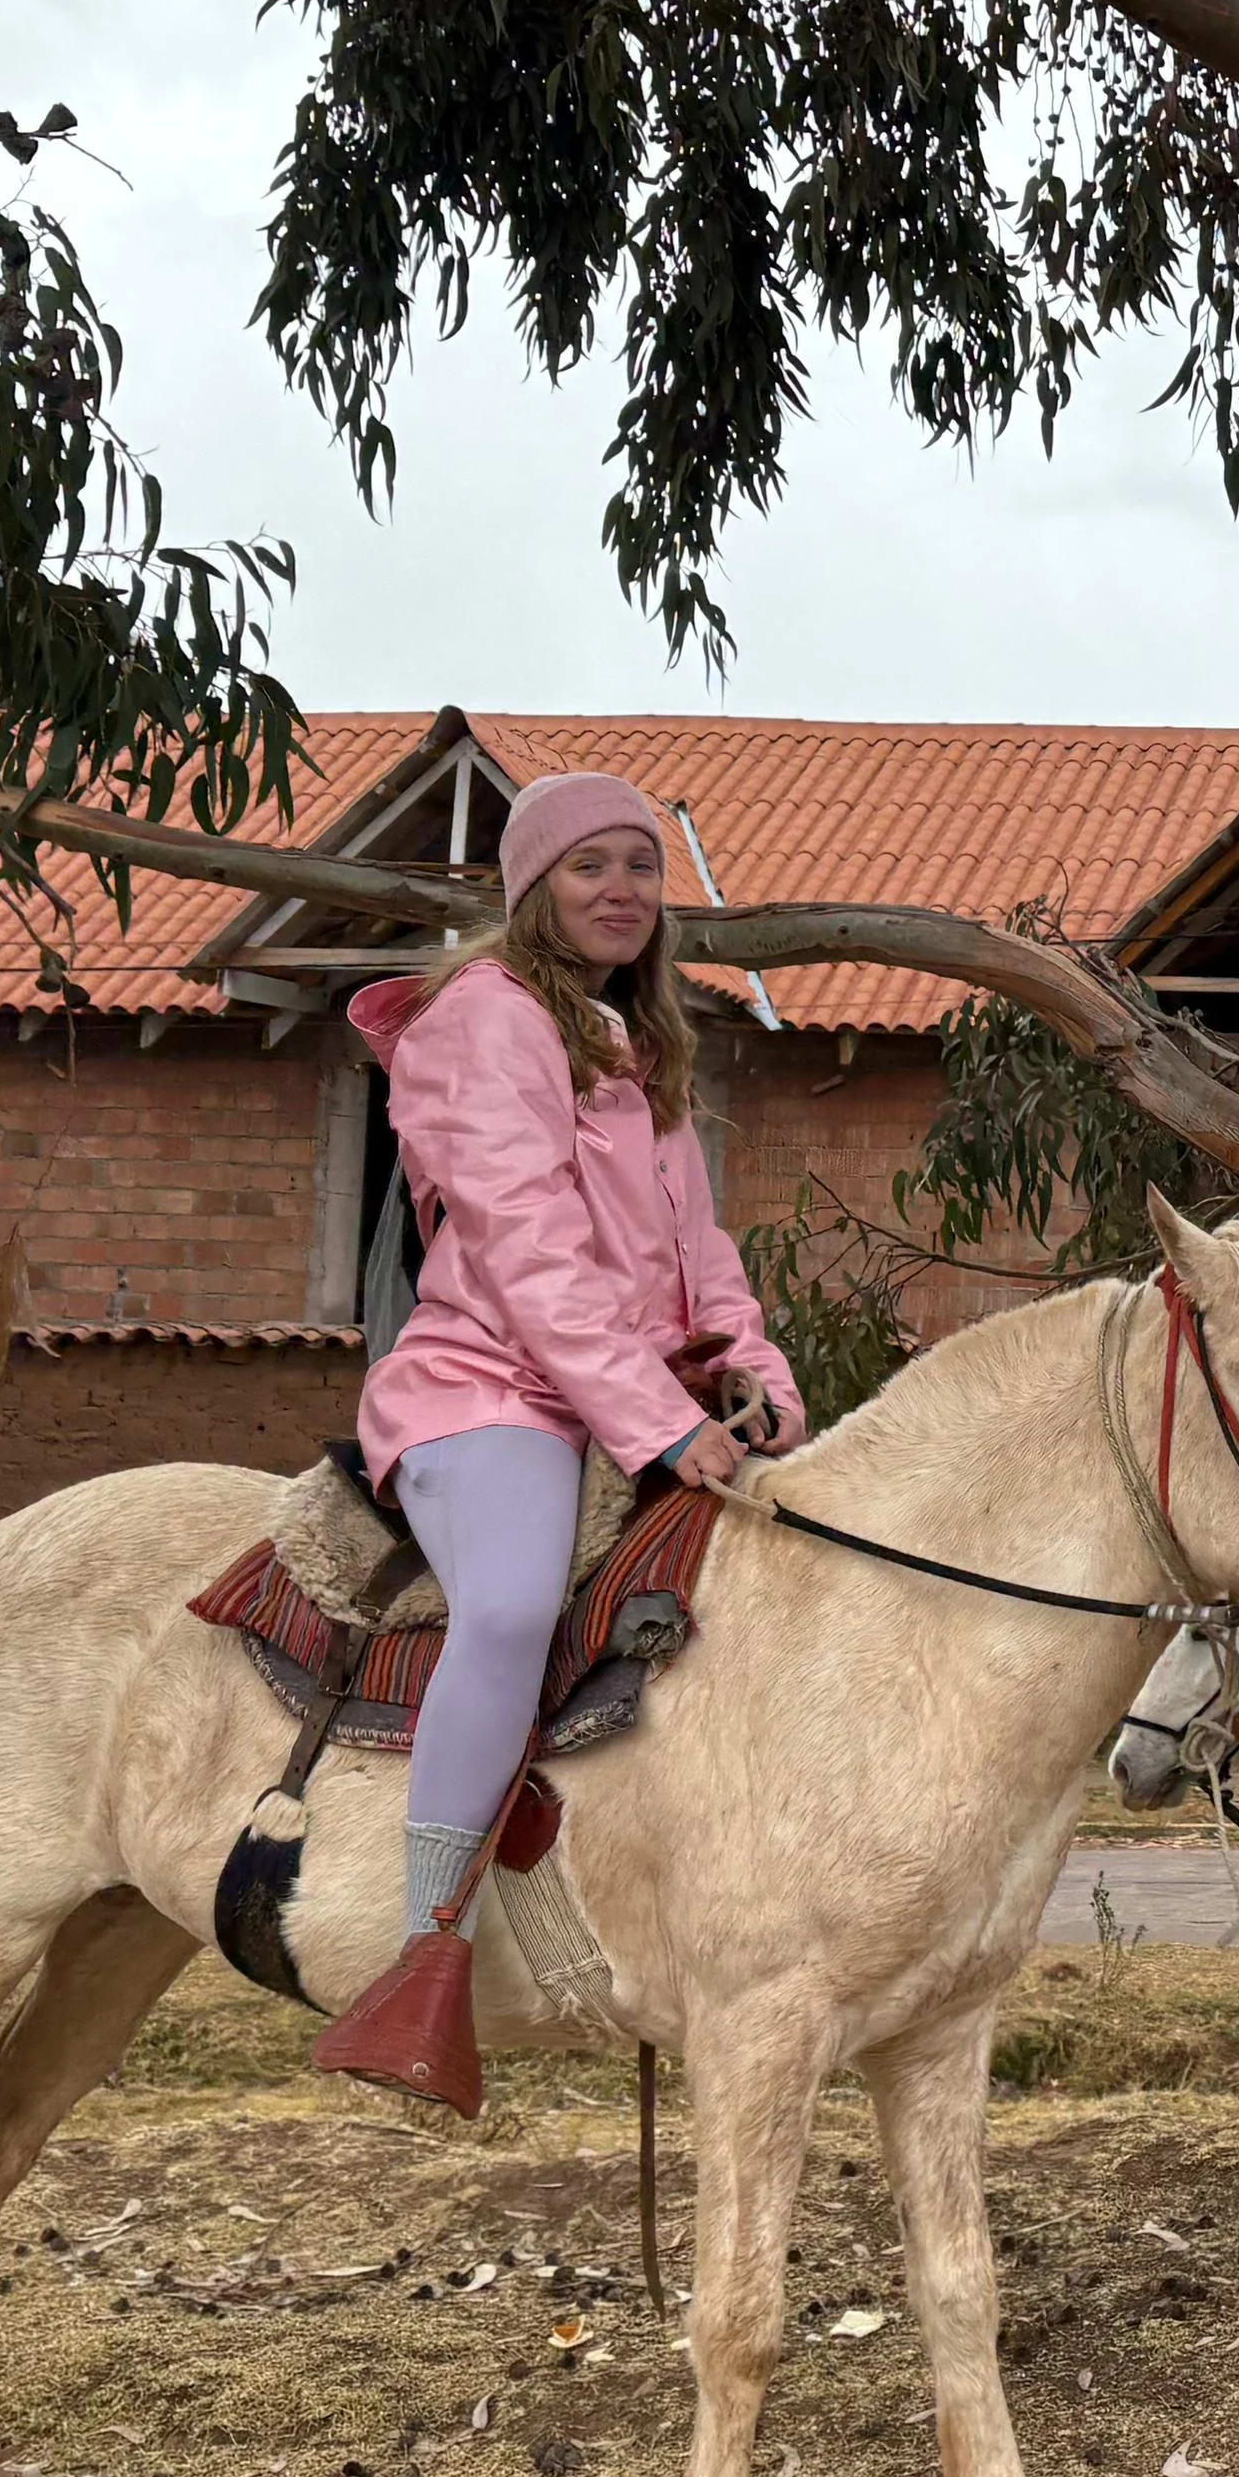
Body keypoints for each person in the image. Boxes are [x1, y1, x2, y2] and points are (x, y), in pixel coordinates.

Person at [312, 770, 805, 2114]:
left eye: (641, 868)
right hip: (491, 1387)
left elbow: (701, 1249)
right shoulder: (485, 1019)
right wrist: (657, 1422)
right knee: (520, 1599)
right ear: (532, 887)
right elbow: (527, 1249)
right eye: (590, 866)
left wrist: (750, 1373)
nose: (622, 892)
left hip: (629, 1387)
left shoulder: (638, 1043)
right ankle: (428, 1948)